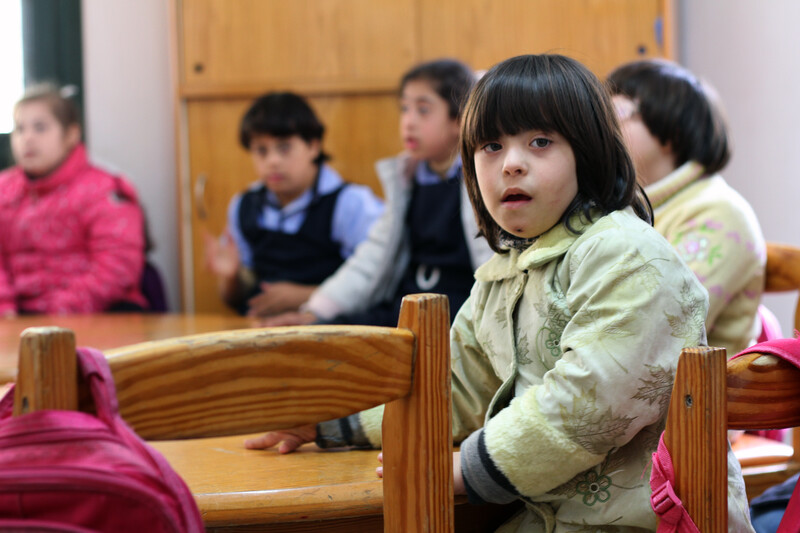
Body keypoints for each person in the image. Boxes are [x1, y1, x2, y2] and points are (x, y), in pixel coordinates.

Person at [246, 54, 754, 531]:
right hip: (547, 517)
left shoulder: (626, 255)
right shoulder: (506, 270)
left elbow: (589, 400)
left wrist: (467, 469)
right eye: (491, 147)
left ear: (589, 153)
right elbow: (456, 384)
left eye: (540, 142)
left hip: (651, 521)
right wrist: (333, 424)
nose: (510, 163)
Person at [261, 58, 492, 328]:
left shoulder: (483, 177)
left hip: (462, 313)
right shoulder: (406, 179)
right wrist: (315, 312)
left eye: (423, 110)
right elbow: (372, 258)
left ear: (459, 119)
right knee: (333, 332)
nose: (408, 122)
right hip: (406, 306)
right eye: (404, 109)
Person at [608, 59, 766, 357]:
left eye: (617, 114)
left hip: (703, 396)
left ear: (672, 133)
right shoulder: (628, 207)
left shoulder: (718, 213)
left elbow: (665, 329)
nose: (603, 132)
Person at [205, 92, 384, 317]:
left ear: (313, 146)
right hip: (262, 333)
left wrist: (304, 295)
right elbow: (234, 299)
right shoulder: (243, 205)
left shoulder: (351, 203)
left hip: (332, 334)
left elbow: (380, 284)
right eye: (261, 150)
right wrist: (231, 277)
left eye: (284, 147)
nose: (273, 161)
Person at [0, 84, 147, 316]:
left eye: (40, 127)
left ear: (71, 135)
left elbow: (117, 265)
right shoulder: (3, 189)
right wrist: (5, 310)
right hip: (18, 319)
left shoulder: (104, 189)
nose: (27, 138)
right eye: (19, 129)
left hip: (95, 315)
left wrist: (60, 312)